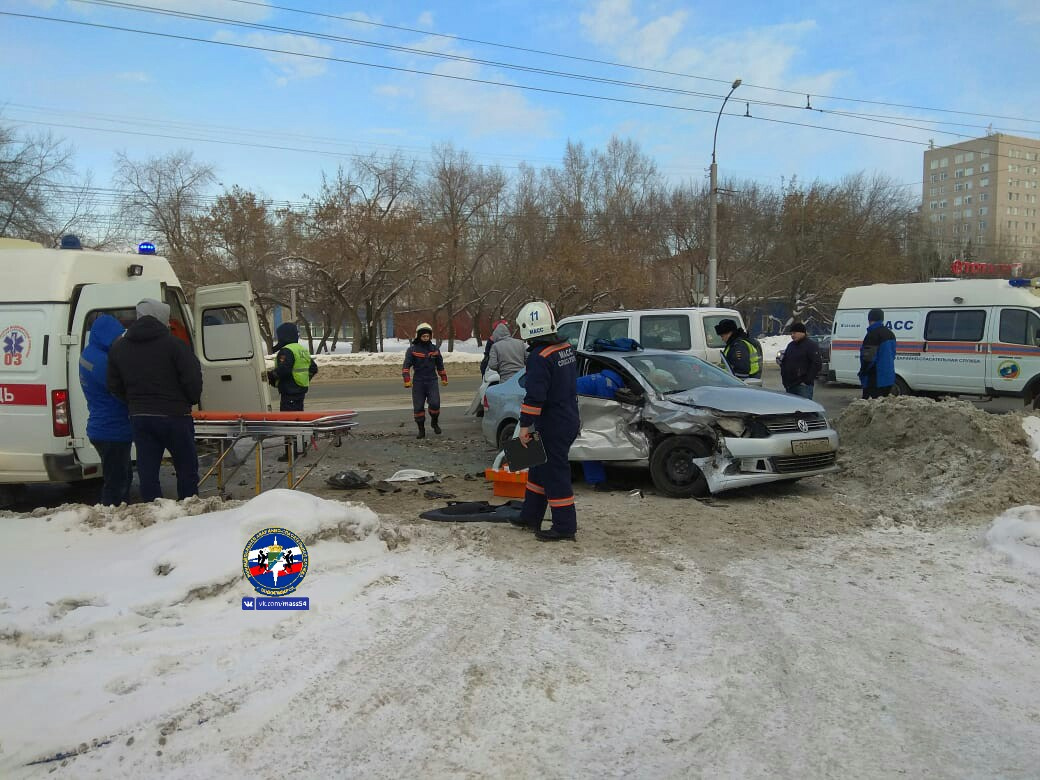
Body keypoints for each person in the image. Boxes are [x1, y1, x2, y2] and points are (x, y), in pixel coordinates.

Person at [107, 298, 203, 502]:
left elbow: (114, 385)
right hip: (175, 416)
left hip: (141, 417)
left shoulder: (119, 347)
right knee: (186, 468)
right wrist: (189, 400)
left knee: (148, 470)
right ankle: (190, 510)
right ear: (162, 317)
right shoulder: (176, 345)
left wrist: (133, 402)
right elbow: (192, 378)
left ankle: (153, 510)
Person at [512, 301, 580, 542]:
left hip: (553, 424)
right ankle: (530, 515)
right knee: (538, 469)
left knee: (554, 474)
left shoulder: (540, 357)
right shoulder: (564, 348)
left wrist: (524, 426)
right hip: (567, 418)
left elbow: (535, 397)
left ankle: (564, 526)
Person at [78, 314, 133, 505]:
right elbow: (122, 390)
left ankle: (116, 516)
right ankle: (111, 520)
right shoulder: (104, 363)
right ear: (106, 336)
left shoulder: (88, 354)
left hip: (100, 426)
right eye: (116, 337)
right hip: (113, 430)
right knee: (117, 484)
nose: (119, 340)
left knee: (121, 477)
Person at [267, 322, 318, 461]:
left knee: (289, 422)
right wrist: (302, 380)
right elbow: (314, 368)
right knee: (298, 421)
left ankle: (291, 452)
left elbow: (285, 369)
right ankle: (300, 449)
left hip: (289, 392)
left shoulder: (286, 351)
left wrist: (271, 376)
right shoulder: (301, 349)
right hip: (299, 390)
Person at [576, 368, 625, 492]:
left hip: (570, 406)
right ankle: (596, 481)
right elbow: (605, 410)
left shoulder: (604, 379)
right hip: (570, 409)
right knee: (590, 442)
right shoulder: (608, 385)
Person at [402, 322, 447, 439]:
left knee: (435, 404)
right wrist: (407, 379)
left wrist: (443, 377)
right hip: (418, 382)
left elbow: (440, 365)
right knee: (418, 407)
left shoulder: (434, 349)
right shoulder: (412, 350)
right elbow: (406, 366)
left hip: (432, 381)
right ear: (419, 337)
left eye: (427, 336)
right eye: (423, 336)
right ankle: (421, 430)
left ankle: (434, 422)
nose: (426, 338)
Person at [778, 322, 822, 399]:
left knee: (804, 409)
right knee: (791, 409)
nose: (792, 335)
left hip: (803, 387)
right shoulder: (790, 345)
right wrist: (784, 379)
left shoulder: (811, 345)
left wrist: (807, 381)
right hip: (790, 385)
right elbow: (784, 362)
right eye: (791, 333)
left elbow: (816, 364)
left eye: (794, 333)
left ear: (802, 333)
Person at [860, 308, 897, 399]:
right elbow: (893, 354)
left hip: (875, 378)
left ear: (869, 319)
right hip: (888, 378)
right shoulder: (890, 334)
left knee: (868, 406)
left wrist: (863, 372)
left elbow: (868, 358)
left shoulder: (872, 335)